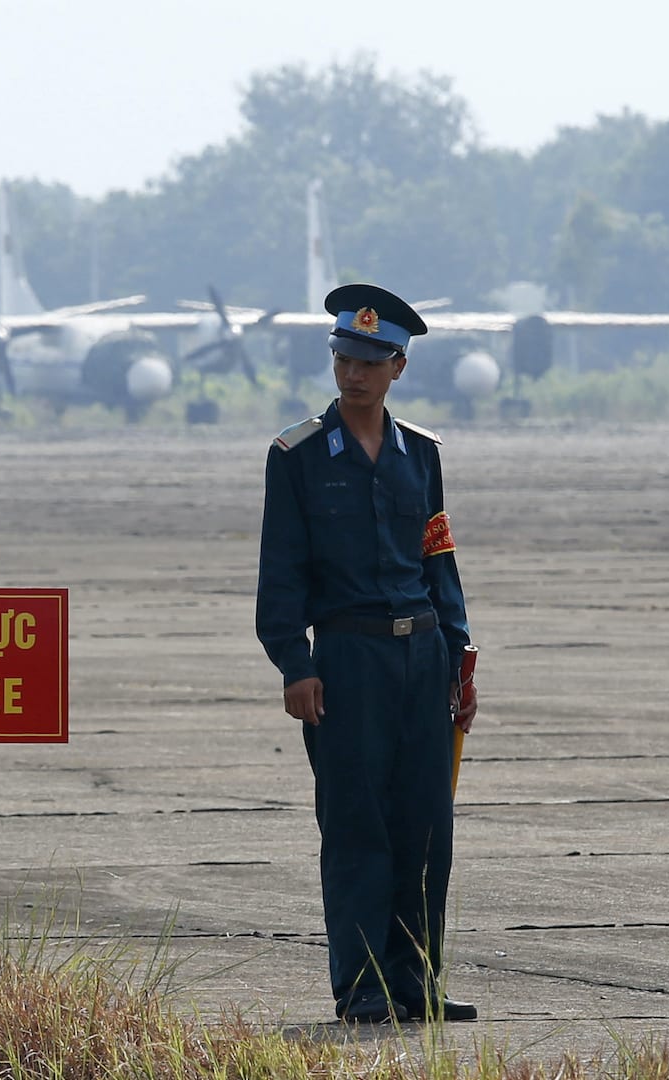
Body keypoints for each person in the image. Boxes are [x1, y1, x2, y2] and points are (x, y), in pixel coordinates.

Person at [255, 282, 479, 1024]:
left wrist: (460, 656)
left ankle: (417, 985)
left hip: (422, 660)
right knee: (356, 828)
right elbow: (281, 572)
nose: (354, 372)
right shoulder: (295, 455)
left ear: (398, 369)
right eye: (344, 355)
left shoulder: (421, 454)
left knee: (425, 829)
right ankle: (362, 989)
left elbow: (438, 557)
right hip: (346, 662)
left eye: (370, 360)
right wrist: (295, 664)